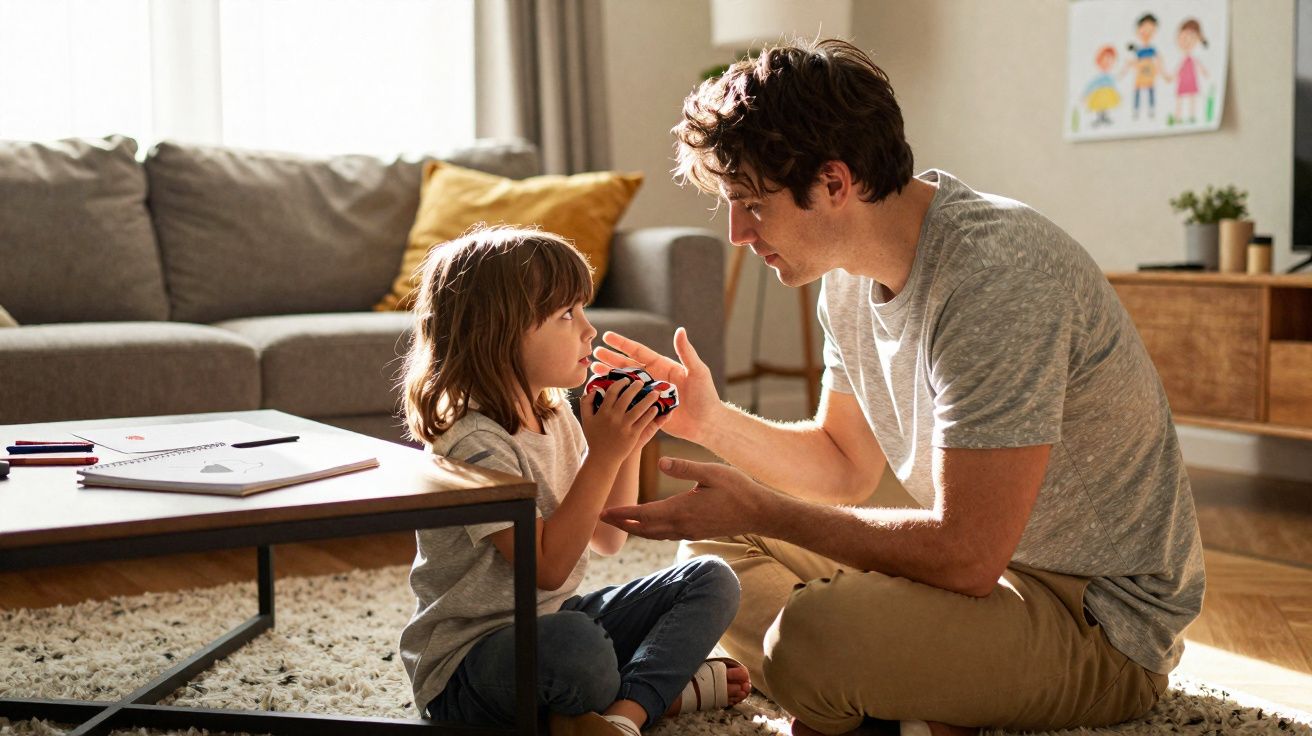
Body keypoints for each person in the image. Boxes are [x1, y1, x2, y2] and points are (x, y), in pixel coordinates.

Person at [595, 39, 1205, 736]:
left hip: (1096, 622)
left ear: (833, 183)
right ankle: (908, 702)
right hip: (984, 584)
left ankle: (883, 688)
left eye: (751, 204)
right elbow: (843, 464)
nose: (736, 234)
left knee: (809, 637)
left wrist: (769, 510)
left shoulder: (994, 276)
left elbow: (968, 554)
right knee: (711, 556)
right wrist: (709, 422)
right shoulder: (846, 277)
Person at [397, 226, 750, 736]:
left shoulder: (554, 410)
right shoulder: (472, 442)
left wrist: (628, 443)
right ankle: (651, 694)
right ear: (500, 330)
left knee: (710, 579)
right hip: (469, 666)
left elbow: (609, 535)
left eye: (583, 310)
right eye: (566, 315)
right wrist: (603, 453)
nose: (588, 330)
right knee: (576, 647)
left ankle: (620, 716)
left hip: (555, 622)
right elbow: (547, 568)